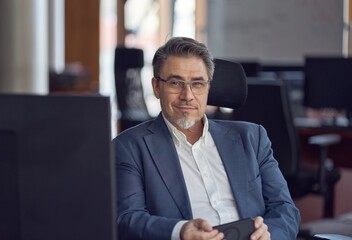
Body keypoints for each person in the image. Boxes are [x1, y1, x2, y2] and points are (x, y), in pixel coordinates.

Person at [113, 37, 300, 240]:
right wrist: (181, 232)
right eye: (176, 82)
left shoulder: (252, 138)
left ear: (208, 88)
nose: (188, 95)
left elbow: (284, 208)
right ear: (157, 87)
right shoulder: (129, 147)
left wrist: (270, 234)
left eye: (198, 84)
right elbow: (127, 218)